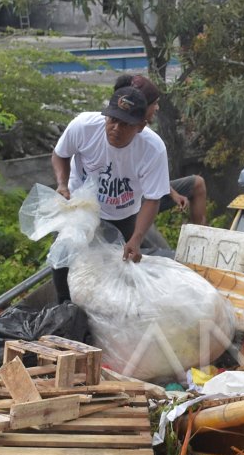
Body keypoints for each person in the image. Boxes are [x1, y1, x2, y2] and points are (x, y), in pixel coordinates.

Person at [50, 86, 170, 302]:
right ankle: (64, 307)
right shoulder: (84, 126)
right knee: (63, 261)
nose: (115, 128)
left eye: (125, 124)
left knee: (115, 271)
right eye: (112, 119)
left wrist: (136, 238)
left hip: (122, 215)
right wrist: (62, 184)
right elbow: (60, 154)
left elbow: (152, 199)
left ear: (141, 126)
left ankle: (103, 314)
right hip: (81, 208)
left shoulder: (153, 150)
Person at [112, 73, 207, 226]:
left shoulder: (149, 141)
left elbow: (151, 177)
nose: (157, 108)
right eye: (154, 103)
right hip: (125, 207)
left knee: (197, 183)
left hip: (143, 197)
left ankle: (200, 241)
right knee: (156, 247)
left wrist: (174, 194)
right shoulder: (112, 132)